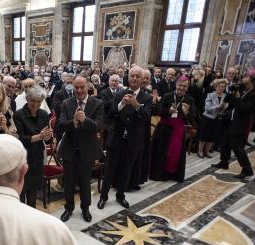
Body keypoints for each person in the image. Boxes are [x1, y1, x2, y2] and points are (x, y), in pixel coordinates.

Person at [99, 67, 152, 209]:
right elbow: (110, 114)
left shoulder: (147, 98)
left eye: (137, 76)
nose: (134, 78)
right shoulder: (119, 94)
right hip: (116, 138)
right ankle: (103, 196)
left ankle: (120, 196)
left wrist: (136, 106)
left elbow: (146, 118)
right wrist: (121, 104)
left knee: (126, 169)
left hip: (133, 141)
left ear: (142, 80)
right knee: (109, 169)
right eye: (132, 76)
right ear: (128, 78)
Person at [57, 75, 104, 222]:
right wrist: (74, 122)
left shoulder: (97, 103)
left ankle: (85, 208)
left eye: (81, 87)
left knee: (85, 182)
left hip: (87, 149)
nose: (78, 90)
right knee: (69, 182)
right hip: (69, 150)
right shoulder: (66, 103)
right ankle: (68, 208)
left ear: (87, 86)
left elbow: (98, 126)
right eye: (76, 87)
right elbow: (61, 125)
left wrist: (85, 120)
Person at [212, 75, 255, 179]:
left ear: (252, 82)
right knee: (225, 143)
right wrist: (230, 92)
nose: (243, 83)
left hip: (240, 125)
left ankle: (247, 169)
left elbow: (244, 109)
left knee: (238, 148)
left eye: (246, 81)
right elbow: (231, 103)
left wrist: (238, 96)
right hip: (231, 121)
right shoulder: (242, 91)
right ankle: (224, 162)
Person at [150, 76, 196, 182]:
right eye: (180, 85)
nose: (181, 88)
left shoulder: (189, 99)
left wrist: (186, 112)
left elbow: (193, 116)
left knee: (175, 152)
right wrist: (168, 111)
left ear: (187, 87)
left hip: (178, 129)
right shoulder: (167, 96)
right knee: (161, 152)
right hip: (164, 128)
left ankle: (172, 175)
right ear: (176, 85)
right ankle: (159, 174)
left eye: (184, 86)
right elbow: (158, 110)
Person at [13, 86, 53, 208]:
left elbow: (48, 139)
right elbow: (19, 138)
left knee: (33, 189)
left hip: (36, 156)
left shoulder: (44, 114)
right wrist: (38, 137)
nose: (36, 104)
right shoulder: (18, 115)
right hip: (23, 156)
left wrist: (47, 138)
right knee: (22, 189)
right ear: (27, 99)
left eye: (39, 101)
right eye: (33, 101)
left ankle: (31, 214)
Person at [199, 79, 228, 158]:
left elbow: (226, 108)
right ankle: (200, 151)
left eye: (223, 87)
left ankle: (207, 151)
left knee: (212, 136)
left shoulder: (226, 96)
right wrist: (219, 106)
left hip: (218, 118)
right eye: (219, 86)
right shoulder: (210, 95)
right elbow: (207, 108)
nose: (221, 88)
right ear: (216, 87)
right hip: (208, 118)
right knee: (204, 135)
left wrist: (224, 108)